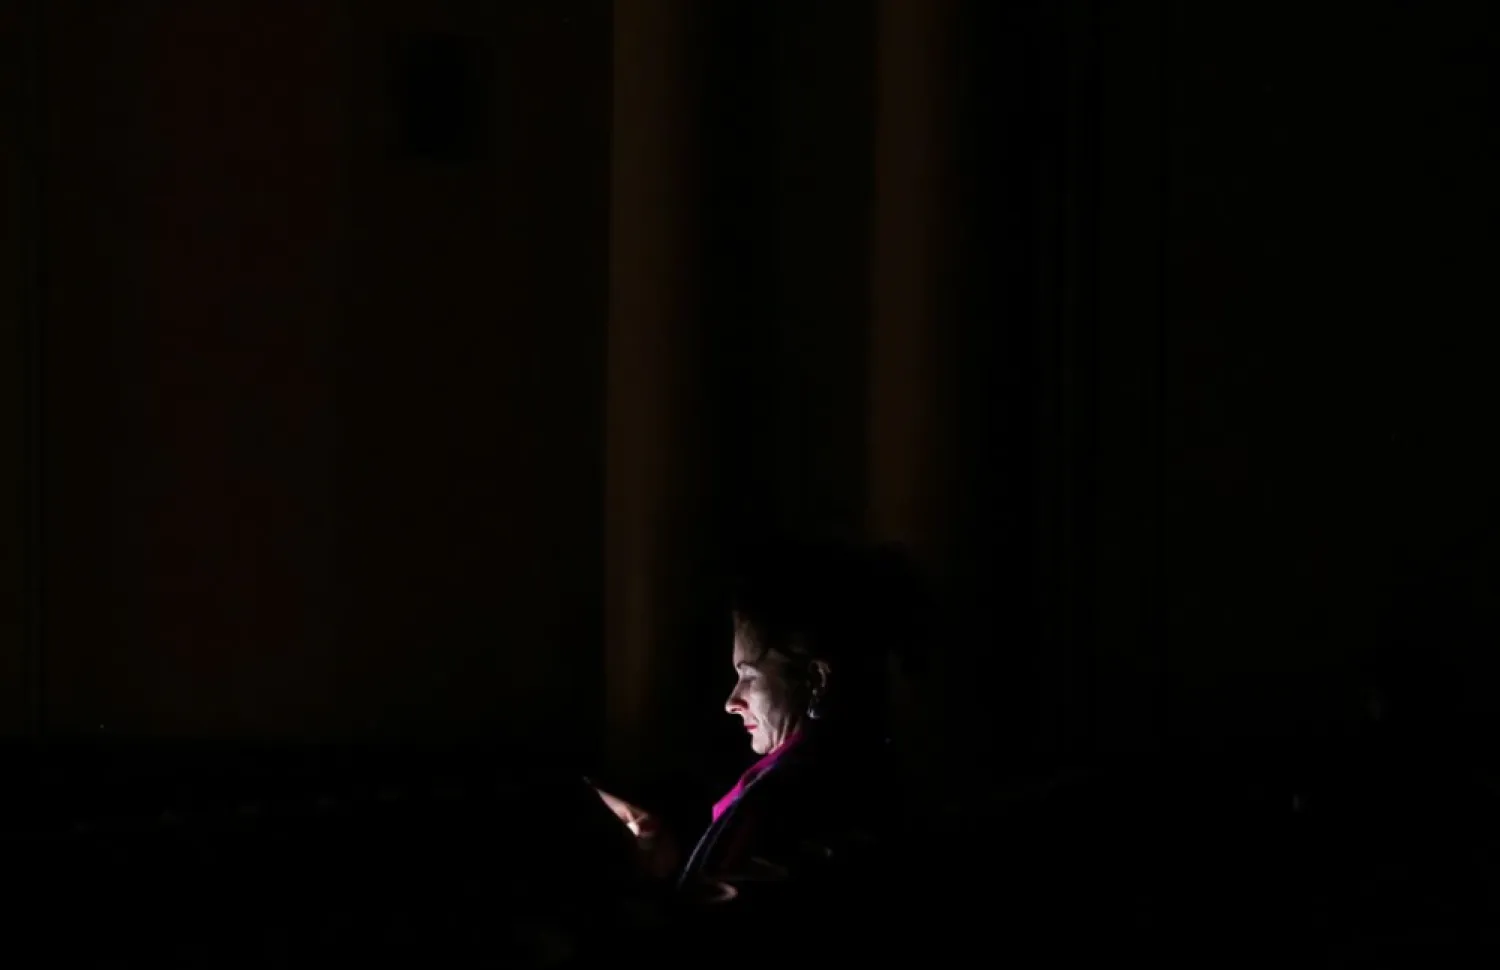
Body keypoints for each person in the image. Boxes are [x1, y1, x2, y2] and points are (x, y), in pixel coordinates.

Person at [593, 538, 929, 898]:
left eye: (749, 676)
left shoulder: (798, 799)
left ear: (815, 680)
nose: (731, 702)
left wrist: (629, 875)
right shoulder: (850, 772)